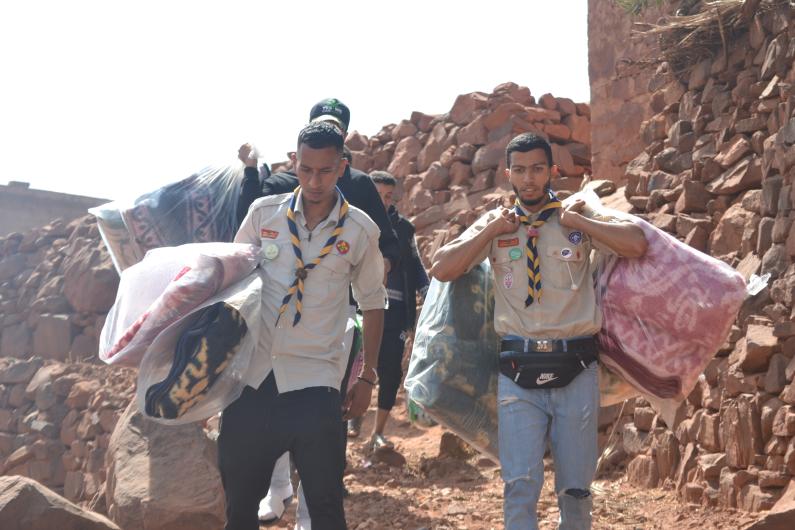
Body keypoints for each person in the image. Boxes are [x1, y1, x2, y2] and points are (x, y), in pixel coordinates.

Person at [429, 133, 647, 530]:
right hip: (518, 371)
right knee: (520, 485)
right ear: (508, 173)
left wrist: (581, 221)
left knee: (576, 490)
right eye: (521, 170)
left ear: (552, 171)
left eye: (538, 169)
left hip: (577, 366)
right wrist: (488, 232)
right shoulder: (496, 224)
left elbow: (635, 243)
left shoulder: (575, 216)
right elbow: (442, 268)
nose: (529, 179)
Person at [237, 98, 396, 529]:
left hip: (319, 374)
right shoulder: (264, 213)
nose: (314, 180)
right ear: (295, 161)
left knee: (325, 504)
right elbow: (234, 279)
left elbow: (374, 298)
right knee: (238, 504)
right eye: (306, 170)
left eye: (325, 171)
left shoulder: (360, 222)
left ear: (342, 165)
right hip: (258, 372)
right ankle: (276, 492)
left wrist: (367, 376)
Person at [354, 170, 429, 451]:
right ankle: (353, 418)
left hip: (395, 311)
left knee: (390, 371)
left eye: (388, 197)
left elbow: (416, 264)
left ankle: (378, 434)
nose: (383, 203)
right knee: (355, 365)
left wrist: (428, 293)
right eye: (377, 196)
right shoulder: (352, 223)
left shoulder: (404, 229)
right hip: (359, 309)